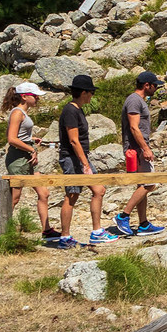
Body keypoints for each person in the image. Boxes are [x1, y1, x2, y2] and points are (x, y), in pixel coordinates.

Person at [114, 69, 167, 237]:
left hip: (138, 148)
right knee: (149, 183)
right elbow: (134, 127)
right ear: (146, 85)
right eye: (154, 85)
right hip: (137, 149)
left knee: (143, 185)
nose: (156, 88)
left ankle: (143, 224)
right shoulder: (134, 101)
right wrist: (145, 148)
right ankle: (123, 216)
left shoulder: (138, 100)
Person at [57, 74, 115, 246]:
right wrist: (84, 164)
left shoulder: (77, 110)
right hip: (72, 158)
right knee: (72, 195)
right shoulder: (70, 111)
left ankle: (97, 231)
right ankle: (65, 236)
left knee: (99, 190)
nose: (92, 96)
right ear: (84, 92)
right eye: (91, 92)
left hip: (81, 157)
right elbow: (73, 140)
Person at [2, 83, 59, 245]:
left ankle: (46, 230)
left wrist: (31, 140)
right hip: (19, 158)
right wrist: (31, 149)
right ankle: (4, 230)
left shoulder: (22, 113)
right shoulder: (17, 113)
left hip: (27, 156)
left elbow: (16, 134)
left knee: (44, 193)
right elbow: (11, 138)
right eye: (34, 96)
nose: (37, 98)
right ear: (24, 96)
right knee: (15, 197)